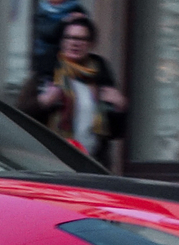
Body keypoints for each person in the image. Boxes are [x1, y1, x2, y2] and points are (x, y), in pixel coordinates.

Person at [32, 14, 125, 160]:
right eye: (69, 38)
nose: (74, 43)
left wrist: (120, 108)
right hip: (51, 162)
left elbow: (116, 133)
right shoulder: (48, 73)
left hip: (91, 164)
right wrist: (43, 103)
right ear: (61, 42)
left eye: (81, 39)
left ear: (91, 44)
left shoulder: (100, 77)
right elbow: (21, 115)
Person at [27, 0, 91, 90]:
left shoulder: (76, 10)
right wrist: (63, 23)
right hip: (47, 62)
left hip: (70, 64)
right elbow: (46, 32)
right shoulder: (43, 12)